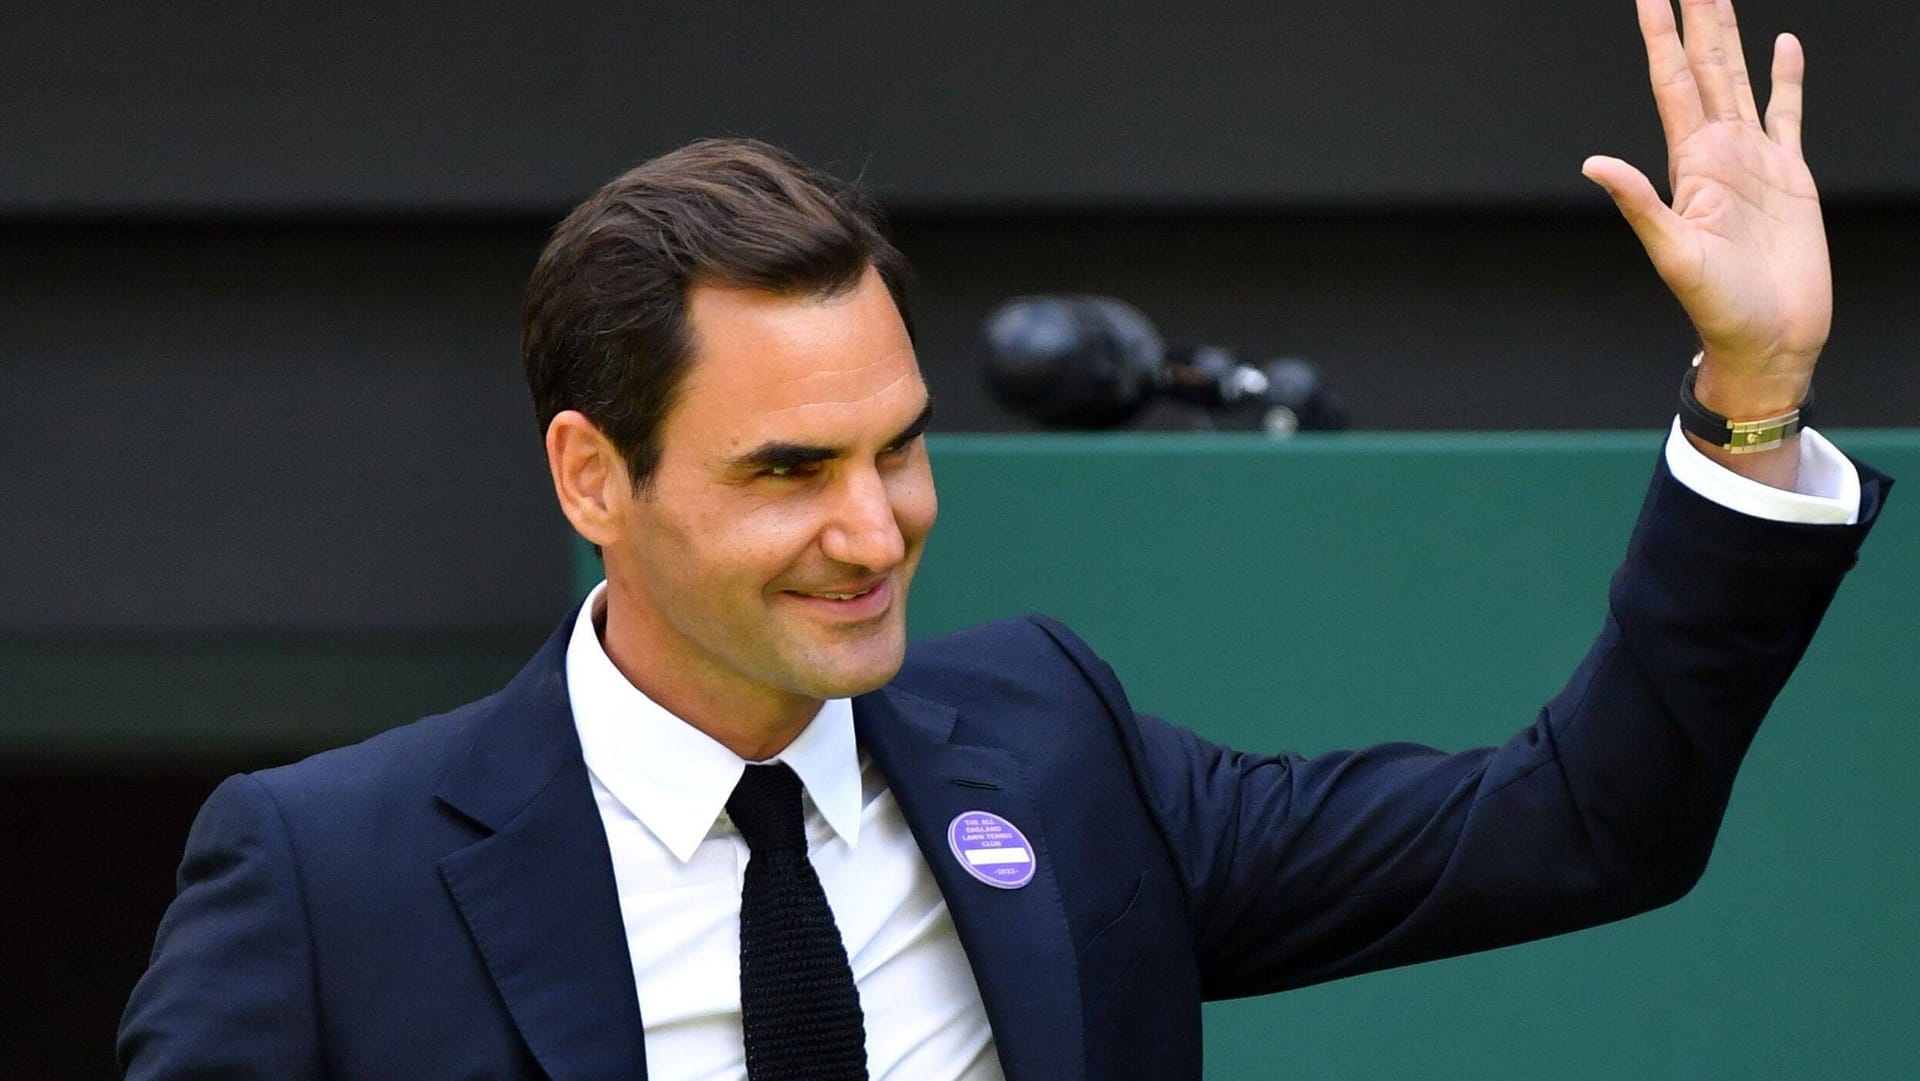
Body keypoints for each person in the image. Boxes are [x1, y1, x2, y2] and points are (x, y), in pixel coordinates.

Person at [119, 1, 1890, 1078]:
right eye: (788, 470)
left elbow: (1585, 821)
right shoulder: (322, 874)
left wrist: (1753, 385)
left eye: (901, 449)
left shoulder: (1054, 749)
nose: (872, 528)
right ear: (594, 479)